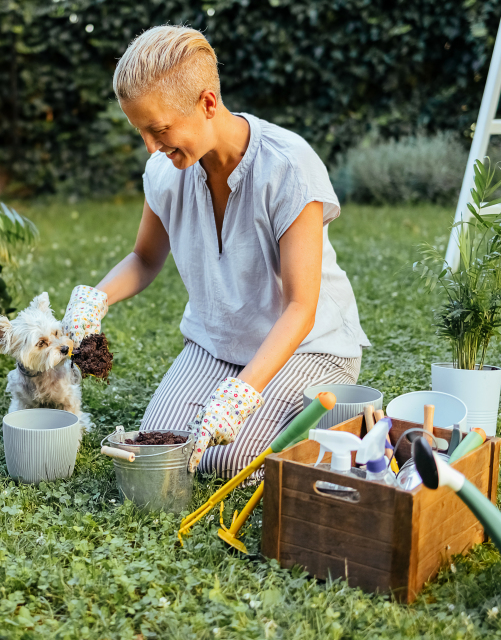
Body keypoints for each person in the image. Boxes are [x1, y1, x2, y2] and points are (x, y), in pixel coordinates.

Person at [61, 25, 369, 478]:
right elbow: (145, 259)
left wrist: (242, 392)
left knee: (230, 458)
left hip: (308, 346)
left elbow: (302, 307)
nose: (151, 147)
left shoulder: (288, 167)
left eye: (159, 129)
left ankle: (336, 417)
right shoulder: (165, 172)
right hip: (218, 342)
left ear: (207, 103)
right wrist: (97, 297)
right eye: (141, 132)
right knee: (164, 445)